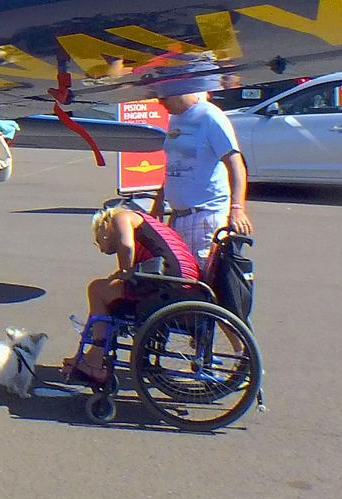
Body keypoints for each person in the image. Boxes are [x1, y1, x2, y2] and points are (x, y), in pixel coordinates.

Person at [64, 202, 198, 384]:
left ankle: (94, 360)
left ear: (104, 226)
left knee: (96, 289)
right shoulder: (146, 221)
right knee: (107, 291)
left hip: (169, 278)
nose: (103, 250)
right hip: (183, 276)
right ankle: (89, 356)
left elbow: (126, 246)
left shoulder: (120, 217)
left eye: (99, 241)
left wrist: (125, 272)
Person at [149, 58, 252, 266]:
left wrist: (237, 208)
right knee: (178, 273)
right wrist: (159, 200)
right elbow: (174, 164)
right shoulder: (175, 117)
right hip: (179, 216)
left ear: (181, 90)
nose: (161, 102)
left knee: (198, 277)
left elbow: (236, 164)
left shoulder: (210, 116)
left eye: (164, 97)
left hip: (204, 216)